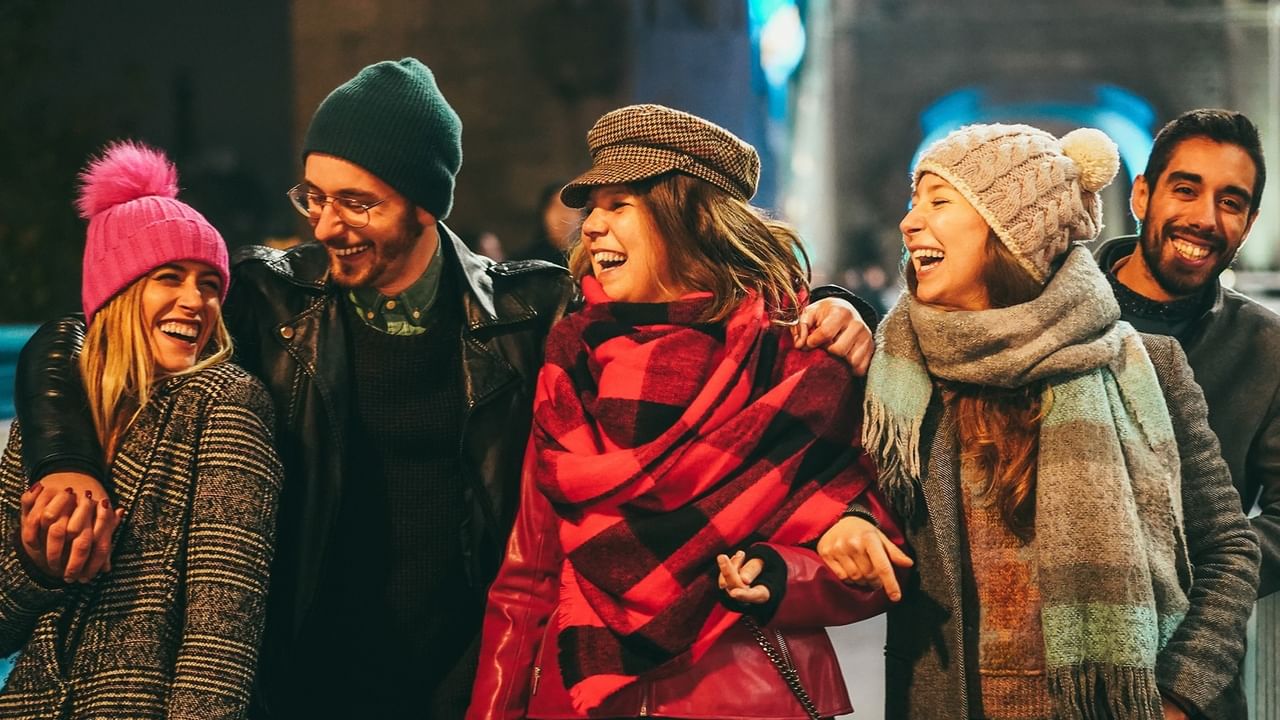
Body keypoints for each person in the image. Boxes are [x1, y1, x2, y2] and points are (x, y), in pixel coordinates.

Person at [13, 60, 873, 718]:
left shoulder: (533, 309)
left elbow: (695, 297)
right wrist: (64, 457)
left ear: (425, 205)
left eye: (356, 202)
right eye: (313, 195)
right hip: (305, 669)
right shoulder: (268, 296)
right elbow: (85, 335)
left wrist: (840, 305)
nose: (324, 223)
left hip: (458, 674)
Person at [468, 103, 904, 720]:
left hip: (743, 695)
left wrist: (781, 575)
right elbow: (528, 574)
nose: (590, 226)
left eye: (620, 206)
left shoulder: (795, 352)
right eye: (592, 207)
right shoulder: (571, 360)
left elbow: (873, 551)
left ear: (690, 220)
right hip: (579, 695)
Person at [819, 124, 1259, 719]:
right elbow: (865, 498)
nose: (909, 221)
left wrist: (1180, 693)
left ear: (1012, 234)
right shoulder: (899, 373)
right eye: (913, 201)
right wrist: (848, 524)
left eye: (939, 201)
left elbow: (1226, 547)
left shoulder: (1146, 366)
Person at [0, 141, 281, 717]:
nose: (195, 300)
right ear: (118, 293)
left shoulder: (226, 403)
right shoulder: (52, 423)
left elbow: (221, 633)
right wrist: (35, 566)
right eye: (169, 277)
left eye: (209, 283)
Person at [1095, 109, 1279, 600]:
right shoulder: (1048, 311)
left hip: (1191, 655)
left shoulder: (1268, 348)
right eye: (1185, 189)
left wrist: (1190, 577)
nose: (1204, 218)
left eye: (1231, 201)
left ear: (1249, 222)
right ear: (1141, 195)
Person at [513, 182, 582, 266]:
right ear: (543, 213)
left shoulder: (587, 261)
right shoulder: (524, 263)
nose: (563, 216)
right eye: (556, 207)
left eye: (569, 208)